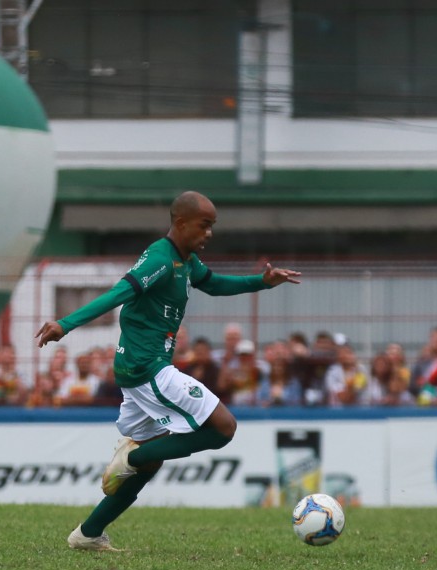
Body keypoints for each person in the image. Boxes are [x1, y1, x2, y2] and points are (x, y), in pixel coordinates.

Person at [35, 190, 300, 551]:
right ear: (181, 223)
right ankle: (131, 456)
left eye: (212, 227)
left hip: (142, 367)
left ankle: (89, 533)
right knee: (223, 427)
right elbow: (118, 294)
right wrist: (66, 324)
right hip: (147, 367)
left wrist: (260, 282)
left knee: (151, 464)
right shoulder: (159, 260)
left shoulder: (185, 260)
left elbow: (214, 284)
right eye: (204, 225)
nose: (209, 233)